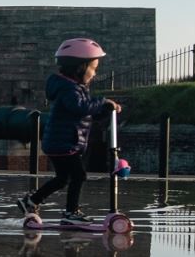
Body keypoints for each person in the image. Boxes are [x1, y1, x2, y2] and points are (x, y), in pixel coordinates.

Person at [16, 39, 122, 224]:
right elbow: (79, 107)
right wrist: (102, 102)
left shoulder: (75, 88)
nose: (95, 73)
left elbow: (83, 115)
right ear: (80, 68)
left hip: (62, 142)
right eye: (93, 68)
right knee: (79, 175)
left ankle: (31, 201)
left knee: (63, 178)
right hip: (63, 143)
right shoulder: (69, 89)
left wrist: (103, 112)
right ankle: (71, 212)